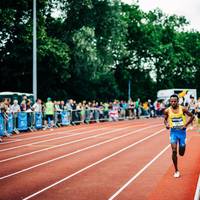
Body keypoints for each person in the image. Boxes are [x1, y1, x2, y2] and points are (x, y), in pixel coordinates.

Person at [164, 94, 194, 178]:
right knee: (174, 151)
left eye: (174, 101)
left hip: (182, 133)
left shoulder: (183, 109)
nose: (173, 103)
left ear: (177, 101)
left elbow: (192, 116)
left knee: (181, 153)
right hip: (173, 132)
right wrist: (166, 125)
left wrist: (186, 125)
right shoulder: (167, 110)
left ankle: (183, 144)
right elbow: (165, 120)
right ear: (170, 101)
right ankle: (176, 170)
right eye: (171, 101)